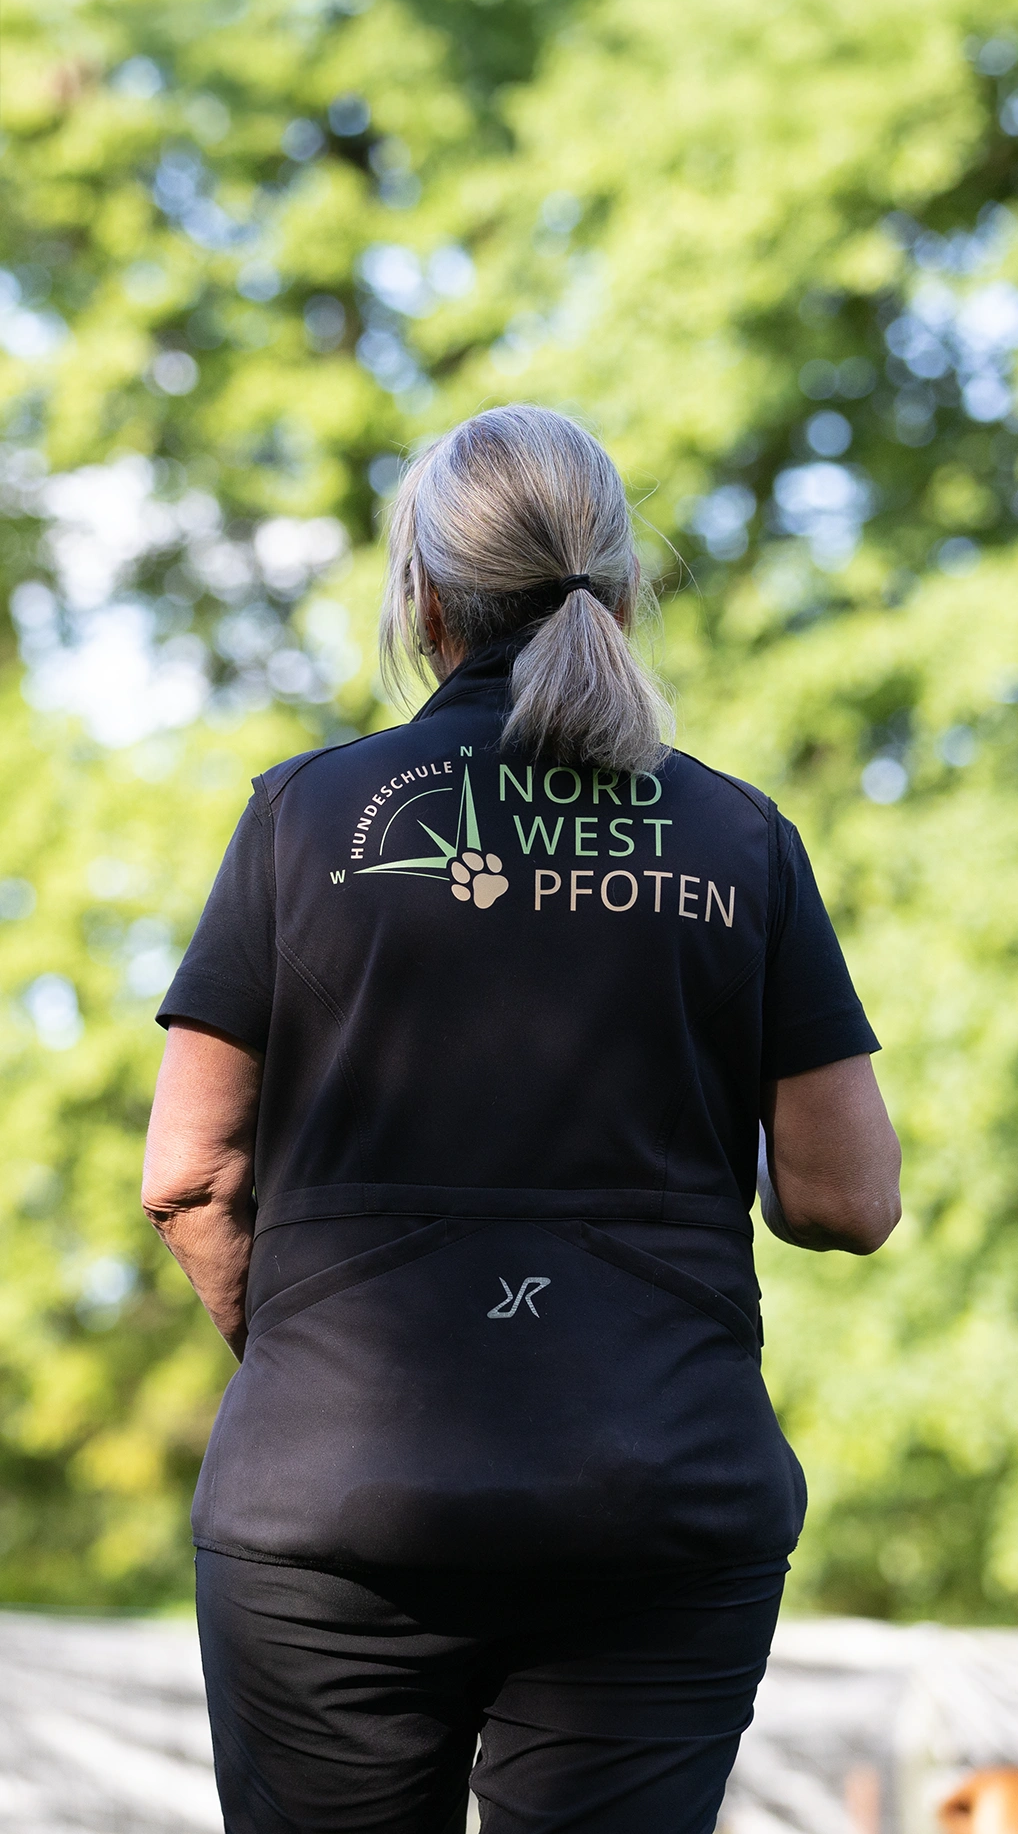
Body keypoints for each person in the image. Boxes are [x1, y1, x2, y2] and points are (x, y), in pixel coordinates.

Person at [142, 404, 902, 1834]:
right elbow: (845, 1197)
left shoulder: (303, 817)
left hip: (329, 1500)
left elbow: (187, 1173)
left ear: (423, 598)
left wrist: (309, 1351)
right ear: (621, 591)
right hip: (656, 1491)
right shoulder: (738, 837)